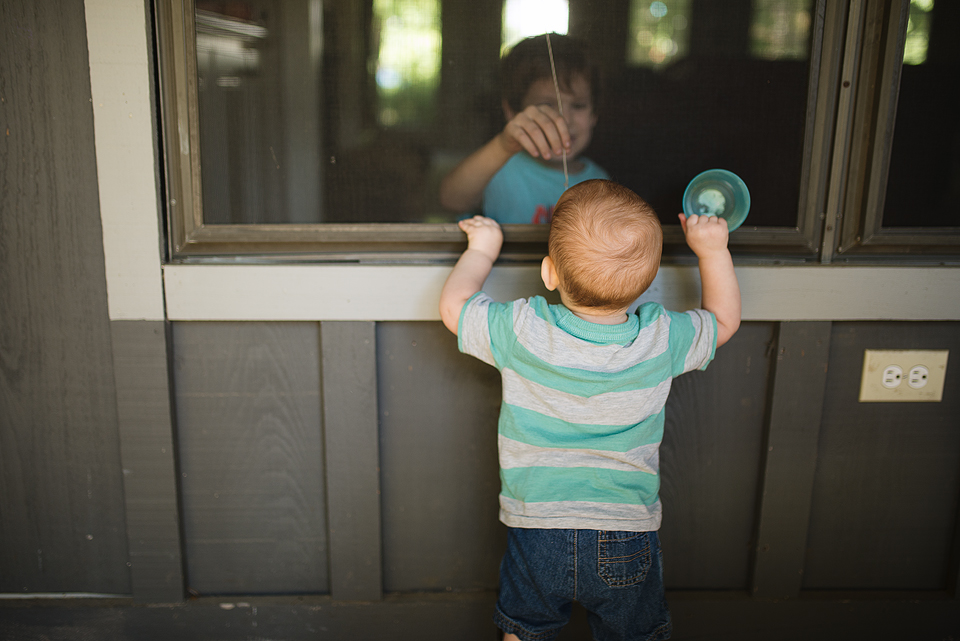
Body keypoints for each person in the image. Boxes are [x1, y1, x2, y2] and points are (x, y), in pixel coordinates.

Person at [438, 179, 741, 641]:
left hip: (537, 524)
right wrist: (712, 251)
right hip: (625, 530)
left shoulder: (523, 329)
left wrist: (483, 247)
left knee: (526, 629)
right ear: (649, 283)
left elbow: (454, 306)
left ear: (549, 272)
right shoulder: (659, 340)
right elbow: (722, 321)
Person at [439, 33, 609, 224]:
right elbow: (451, 199)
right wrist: (504, 146)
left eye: (578, 106)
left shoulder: (600, 182)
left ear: (594, 114)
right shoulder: (498, 167)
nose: (564, 120)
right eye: (547, 105)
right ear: (512, 112)